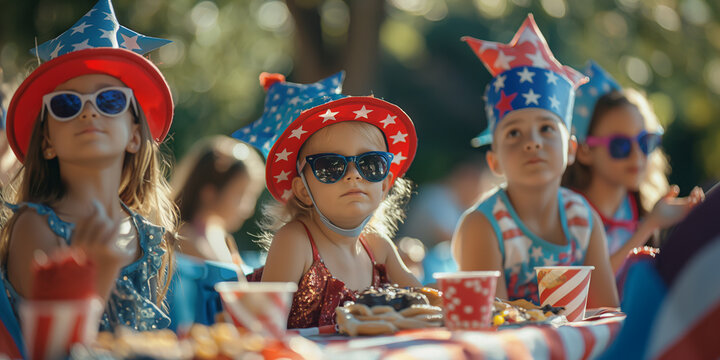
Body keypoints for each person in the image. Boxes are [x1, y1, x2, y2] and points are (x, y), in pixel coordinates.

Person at [0, 0, 177, 331]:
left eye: (110, 100)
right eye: (66, 104)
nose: (89, 112)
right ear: (47, 142)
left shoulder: (147, 232)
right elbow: (48, 349)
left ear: (135, 136)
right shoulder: (36, 229)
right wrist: (98, 274)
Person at [453, 14, 619, 308]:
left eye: (546, 128)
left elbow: (605, 313)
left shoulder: (584, 220)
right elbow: (493, 325)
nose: (532, 142)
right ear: (494, 162)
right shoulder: (482, 225)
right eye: (514, 132)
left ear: (570, 150)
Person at [235, 71, 421, 328]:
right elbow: (264, 330)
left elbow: (424, 304)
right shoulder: (295, 242)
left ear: (386, 184)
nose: (354, 175)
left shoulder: (378, 248)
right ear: (302, 190)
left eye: (370, 164)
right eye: (330, 166)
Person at [562, 61, 704, 273]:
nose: (637, 155)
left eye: (645, 141)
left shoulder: (641, 208)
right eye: (620, 145)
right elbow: (587, 289)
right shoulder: (565, 213)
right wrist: (648, 226)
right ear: (584, 151)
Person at [398, 155, 500, 284]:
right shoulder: (437, 196)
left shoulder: (459, 204)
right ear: (465, 177)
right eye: (479, 183)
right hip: (419, 263)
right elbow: (449, 238)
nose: (481, 191)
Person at [171, 135, 264, 264]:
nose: (248, 209)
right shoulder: (184, 238)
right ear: (209, 193)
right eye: (241, 196)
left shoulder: (219, 236)